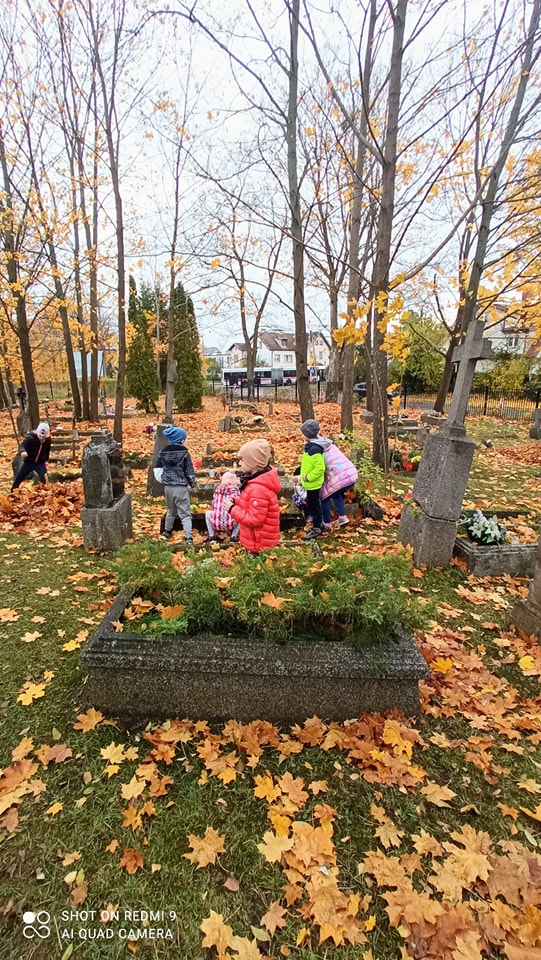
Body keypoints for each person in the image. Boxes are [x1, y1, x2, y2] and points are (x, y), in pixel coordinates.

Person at [224, 439, 281, 554]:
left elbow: (255, 520)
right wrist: (236, 501)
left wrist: (232, 509)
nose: (239, 464)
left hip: (259, 544)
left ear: (252, 463)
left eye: (242, 460)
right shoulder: (255, 482)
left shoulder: (258, 489)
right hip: (258, 541)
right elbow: (250, 504)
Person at [155, 425, 196, 545]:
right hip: (180, 487)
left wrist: (163, 479)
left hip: (168, 487)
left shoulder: (162, 453)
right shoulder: (184, 453)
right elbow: (189, 470)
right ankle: (188, 537)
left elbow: (158, 467)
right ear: (181, 439)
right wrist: (193, 483)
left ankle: (166, 532)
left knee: (171, 511)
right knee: (185, 514)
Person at [318, 436, 358, 530]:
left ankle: (326, 523)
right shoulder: (331, 446)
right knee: (336, 494)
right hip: (350, 475)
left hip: (339, 478)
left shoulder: (319, 453)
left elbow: (321, 469)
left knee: (324, 498)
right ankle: (342, 517)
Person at [298, 419, 326, 541]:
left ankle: (317, 527)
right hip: (309, 483)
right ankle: (318, 524)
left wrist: (308, 477)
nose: (301, 434)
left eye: (302, 432)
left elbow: (320, 468)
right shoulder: (309, 447)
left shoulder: (315, 450)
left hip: (313, 483)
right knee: (312, 504)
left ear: (308, 435)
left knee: (313, 505)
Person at [11, 422, 51, 491]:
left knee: (44, 477)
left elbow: (47, 450)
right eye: (40, 436)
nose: (41, 438)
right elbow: (22, 445)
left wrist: (46, 460)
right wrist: (23, 451)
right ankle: (13, 490)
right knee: (20, 476)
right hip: (29, 462)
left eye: (43, 437)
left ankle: (44, 492)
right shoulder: (30, 438)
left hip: (40, 463)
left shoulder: (47, 440)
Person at [205, 470, 241, 543]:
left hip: (216, 523)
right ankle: (234, 536)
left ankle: (212, 537)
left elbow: (213, 504)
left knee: (207, 513)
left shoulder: (217, 491)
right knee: (241, 514)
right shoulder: (236, 492)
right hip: (231, 523)